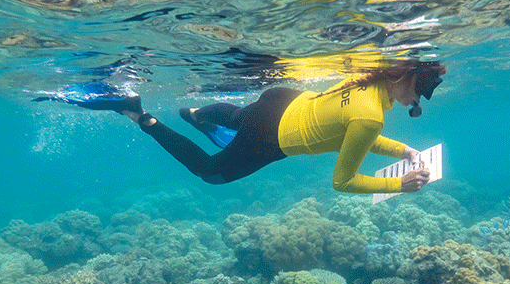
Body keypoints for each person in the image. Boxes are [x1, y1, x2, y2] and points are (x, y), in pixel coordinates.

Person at [38, 61, 446, 195]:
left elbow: (350, 130)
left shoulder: (368, 79)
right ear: (404, 77)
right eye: (420, 91)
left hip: (283, 100)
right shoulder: (372, 114)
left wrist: (405, 153)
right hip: (274, 139)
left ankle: (198, 113)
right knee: (212, 173)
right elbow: (343, 181)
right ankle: (139, 115)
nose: (418, 101)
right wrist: (400, 185)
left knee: (239, 118)